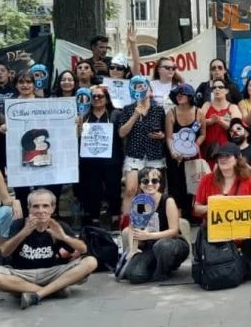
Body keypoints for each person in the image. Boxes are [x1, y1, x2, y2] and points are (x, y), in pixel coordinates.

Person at [0, 189, 98, 309]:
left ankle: (38, 294)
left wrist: (63, 237)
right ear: (29, 208)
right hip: (22, 274)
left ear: (52, 208)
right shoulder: (19, 224)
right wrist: (24, 232)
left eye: (45, 206)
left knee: (90, 262)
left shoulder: (58, 226)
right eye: (36, 206)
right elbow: (5, 252)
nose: (41, 211)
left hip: (51, 272)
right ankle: (52, 290)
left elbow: (83, 249)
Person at [120, 168, 189, 284]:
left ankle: (163, 272)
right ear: (140, 184)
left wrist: (149, 235)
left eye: (154, 181)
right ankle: (152, 266)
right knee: (134, 276)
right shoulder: (138, 202)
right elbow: (132, 228)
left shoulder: (168, 200)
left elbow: (174, 231)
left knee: (162, 245)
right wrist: (133, 248)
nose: (150, 184)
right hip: (149, 245)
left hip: (172, 243)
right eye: (145, 181)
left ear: (159, 183)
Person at [117, 81, 166, 216]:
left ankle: (154, 221)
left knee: (154, 190)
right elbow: (121, 133)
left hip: (154, 155)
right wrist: (134, 115)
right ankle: (126, 223)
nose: (142, 90)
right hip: (134, 154)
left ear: (151, 92)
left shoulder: (159, 110)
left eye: (145, 87)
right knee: (130, 189)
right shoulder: (128, 109)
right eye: (138, 87)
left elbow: (166, 132)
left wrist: (161, 135)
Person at [76, 85, 123, 228]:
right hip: (89, 161)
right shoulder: (83, 115)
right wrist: (77, 129)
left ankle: (115, 218)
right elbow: (76, 138)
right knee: (92, 190)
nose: (96, 99)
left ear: (107, 99)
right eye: (93, 96)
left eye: (100, 96)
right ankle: (94, 220)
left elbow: (121, 136)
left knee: (113, 189)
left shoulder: (116, 114)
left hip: (112, 160)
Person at [165, 84, 205, 218]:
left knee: (192, 184)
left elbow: (202, 134)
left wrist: (195, 147)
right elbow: (169, 137)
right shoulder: (171, 113)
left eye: (182, 93)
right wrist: (173, 152)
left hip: (192, 155)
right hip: (175, 156)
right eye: (177, 94)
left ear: (190, 96)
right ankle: (177, 216)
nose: (179, 96)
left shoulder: (198, 112)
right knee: (176, 185)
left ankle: (191, 215)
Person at [192, 143, 251, 220]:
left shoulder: (248, 180)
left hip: (240, 227)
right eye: (220, 156)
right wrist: (211, 206)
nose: (223, 159)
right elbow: (196, 208)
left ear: (237, 159)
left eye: (227, 156)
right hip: (213, 228)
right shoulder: (207, 179)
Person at [200, 78, 241, 168]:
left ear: (226, 90)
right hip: (208, 149)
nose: (217, 89)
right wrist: (210, 121)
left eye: (220, 87)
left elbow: (237, 129)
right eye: (214, 88)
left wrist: (219, 121)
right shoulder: (207, 105)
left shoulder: (233, 107)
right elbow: (198, 123)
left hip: (226, 150)